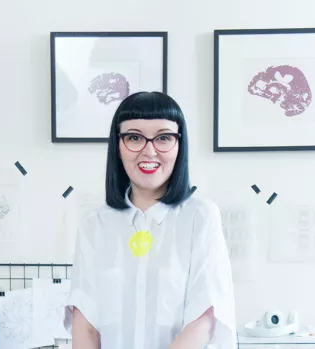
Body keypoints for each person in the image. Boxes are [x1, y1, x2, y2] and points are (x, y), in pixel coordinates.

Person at [64, 91, 236, 349]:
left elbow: (206, 316)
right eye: (134, 137)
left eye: (163, 138)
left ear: (179, 145)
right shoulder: (94, 225)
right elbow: (85, 321)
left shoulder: (200, 217)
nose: (149, 151)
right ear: (118, 145)